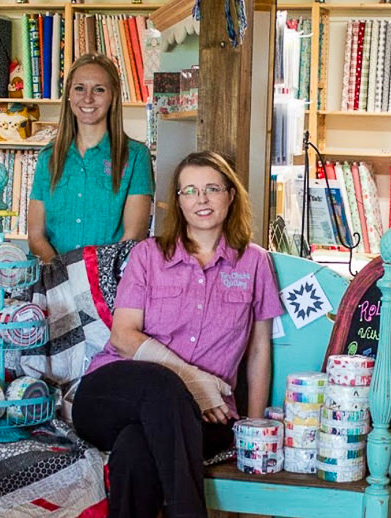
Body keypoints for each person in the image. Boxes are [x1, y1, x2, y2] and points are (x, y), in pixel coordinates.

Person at [71, 151, 283, 518]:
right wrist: (194, 379)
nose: (201, 199)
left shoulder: (255, 263)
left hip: (208, 417)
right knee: (162, 382)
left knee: (135, 450)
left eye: (212, 188)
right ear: (178, 201)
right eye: (189, 190)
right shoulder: (148, 256)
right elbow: (123, 336)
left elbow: (260, 351)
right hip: (111, 396)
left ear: (231, 195)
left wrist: (252, 425)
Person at [27, 53, 154, 261]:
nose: (88, 98)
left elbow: (133, 237)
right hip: (55, 283)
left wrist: (96, 280)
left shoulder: (136, 157)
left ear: (113, 95)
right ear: (69, 93)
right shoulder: (48, 157)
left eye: (99, 89)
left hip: (110, 285)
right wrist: (63, 276)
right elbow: (35, 236)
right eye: (79, 88)